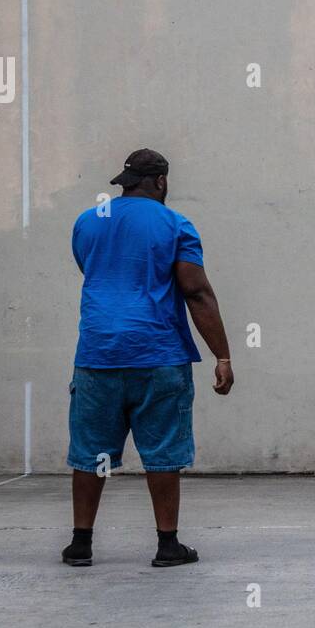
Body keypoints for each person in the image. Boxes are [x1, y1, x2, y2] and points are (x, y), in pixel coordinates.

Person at [63, 149, 233, 568]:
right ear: (159, 181)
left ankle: (80, 544)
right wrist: (223, 355)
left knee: (90, 452)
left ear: (124, 181)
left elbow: (95, 273)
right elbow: (195, 291)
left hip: (97, 353)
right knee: (162, 453)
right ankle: (167, 544)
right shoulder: (176, 224)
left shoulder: (88, 221)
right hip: (157, 353)